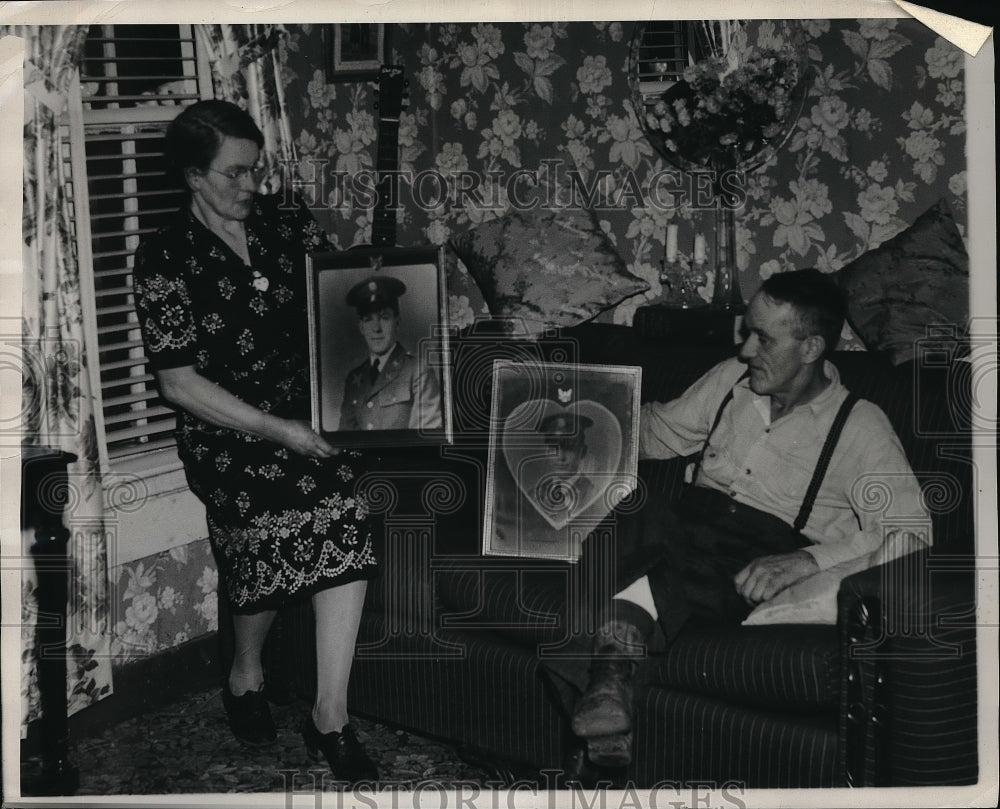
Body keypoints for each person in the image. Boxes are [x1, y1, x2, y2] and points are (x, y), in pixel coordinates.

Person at [546, 268, 930, 780]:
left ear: (812, 347)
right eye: (748, 332)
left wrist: (807, 560)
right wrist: (592, 427)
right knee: (638, 507)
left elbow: (911, 532)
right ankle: (609, 691)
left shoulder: (861, 427)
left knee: (612, 574)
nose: (747, 349)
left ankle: (607, 692)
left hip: (746, 559)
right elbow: (661, 432)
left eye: (763, 338)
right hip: (681, 527)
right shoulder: (731, 380)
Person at [132, 100, 378, 782]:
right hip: (227, 431)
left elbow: (345, 297)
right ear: (192, 175)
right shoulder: (163, 255)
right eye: (235, 174)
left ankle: (331, 715)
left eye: (257, 170)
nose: (252, 187)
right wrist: (278, 431)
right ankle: (245, 671)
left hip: (307, 415)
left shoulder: (285, 218)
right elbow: (178, 383)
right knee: (261, 542)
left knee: (339, 511)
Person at [339, 275, 443, 432]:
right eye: (368, 319)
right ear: (361, 327)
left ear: (397, 322)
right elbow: (345, 439)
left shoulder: (418, 371)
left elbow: (424, 439)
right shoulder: (354, 379)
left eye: (384, 318)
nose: (376, 328)